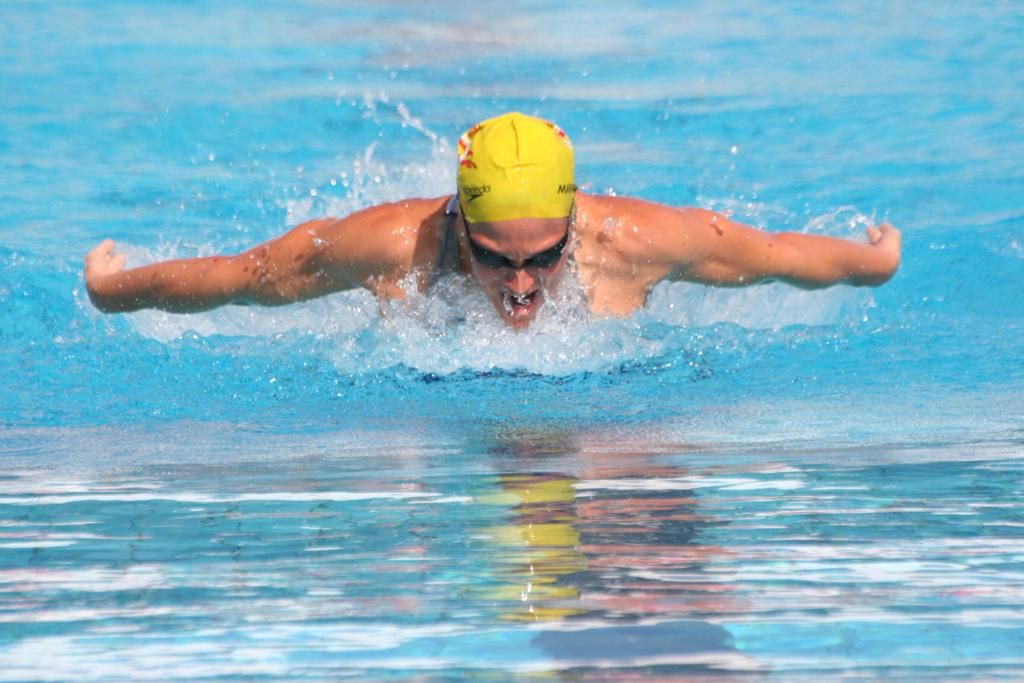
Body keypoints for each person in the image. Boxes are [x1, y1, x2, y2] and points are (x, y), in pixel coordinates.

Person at [85, 112, 901, 330]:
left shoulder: (639, 243)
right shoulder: (393, 246)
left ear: (574, 225)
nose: (521, 288)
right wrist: (112, 289)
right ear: (457, 223)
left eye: (544, 259)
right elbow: (240, 277)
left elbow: (777, 255)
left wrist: (875, 263)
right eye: (495, 258)